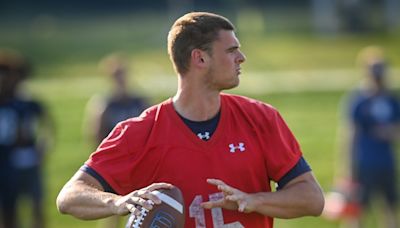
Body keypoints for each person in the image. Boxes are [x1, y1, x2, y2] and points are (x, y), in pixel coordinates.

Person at [56, 12, 324, 227]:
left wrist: (252, 200)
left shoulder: (261, 118)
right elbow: (70, 197)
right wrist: (121, 203)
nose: (241, 58)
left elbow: (312, 199)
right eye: (231, 50)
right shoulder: (141, 131)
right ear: (200, 58)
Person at [83, 53, 150, 228]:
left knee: (142, 206)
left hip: (139, 160)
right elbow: (95, 132)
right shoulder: (104, 103)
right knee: (113, 206)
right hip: (116, 160)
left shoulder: (139, 100)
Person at [339, 46, 400, 228]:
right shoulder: (358, 100)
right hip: (363, 163)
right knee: (356, 211)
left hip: (386, 162)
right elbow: (350, 134)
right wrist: (347, 168)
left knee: (390, 208)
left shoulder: (392, 99)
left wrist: (389, 132)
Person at [0, 49, 54, 228]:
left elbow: (47, 122)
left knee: (36, 204)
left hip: (30, 158)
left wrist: (43, 147)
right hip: (7, 162)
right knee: (10, 209)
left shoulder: (29, 103)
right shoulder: (4, 103)